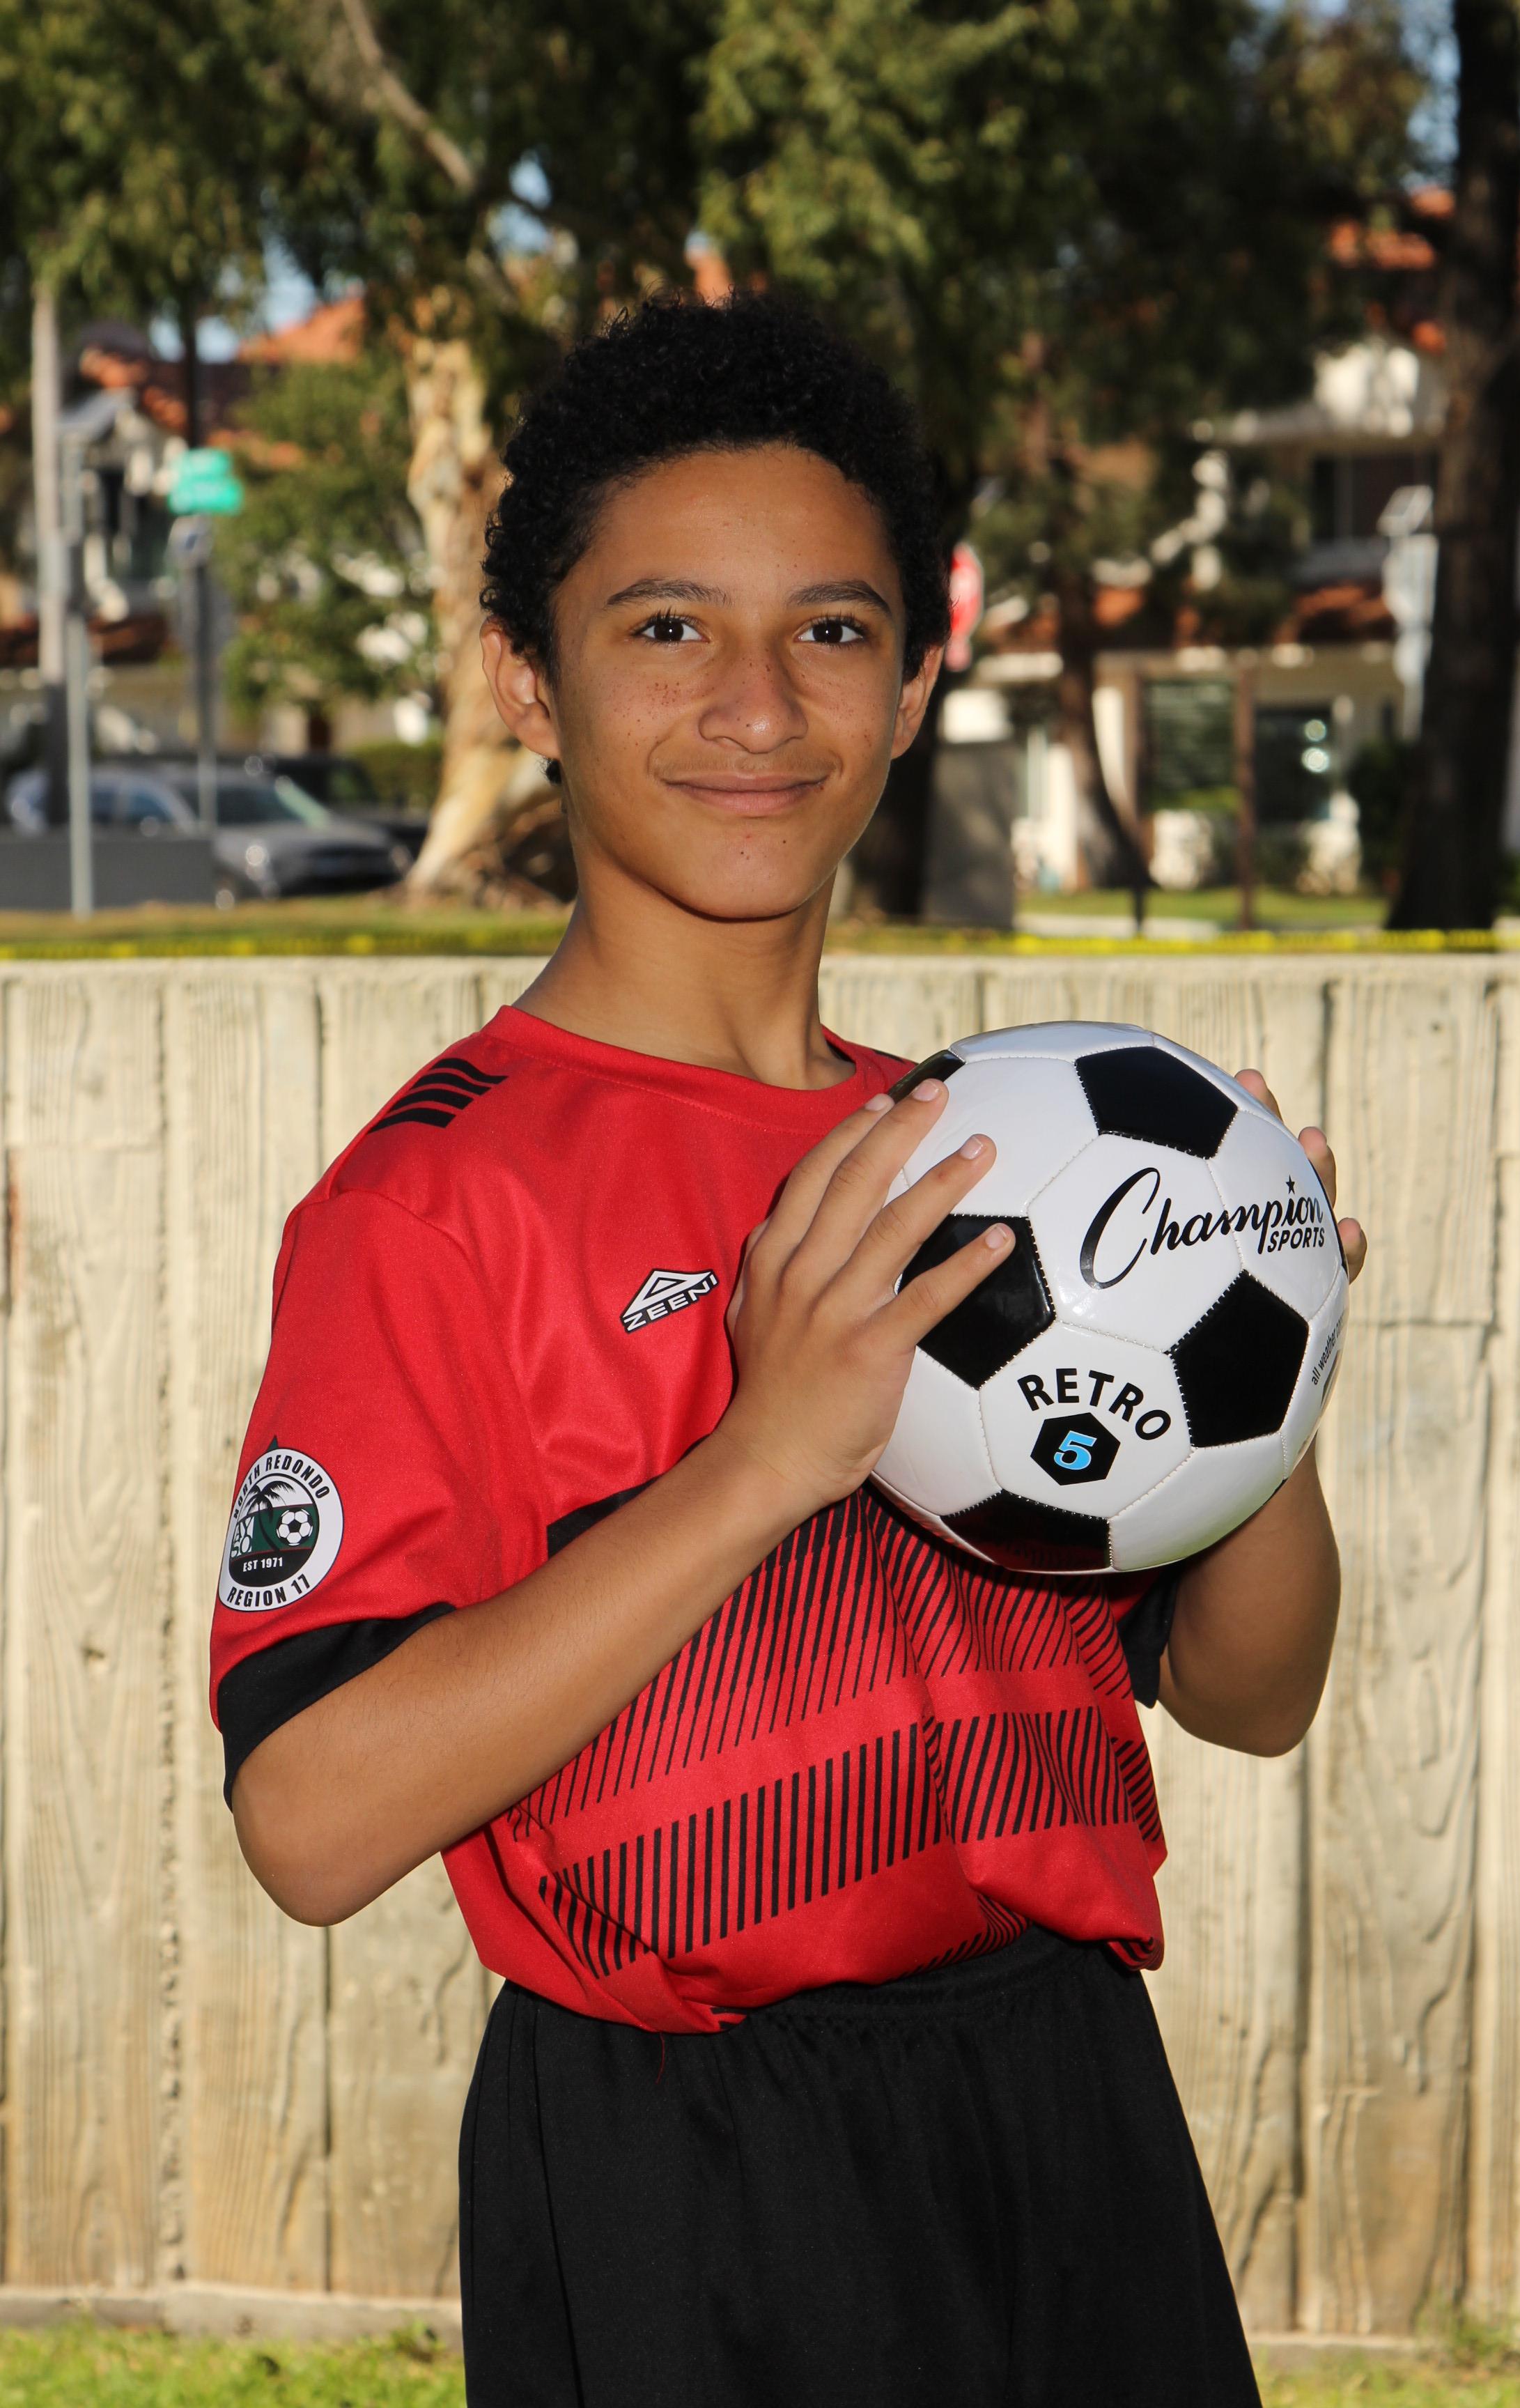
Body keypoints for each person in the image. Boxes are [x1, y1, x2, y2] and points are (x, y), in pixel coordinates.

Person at [212, 293, 1366, 2407]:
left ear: (915, 683)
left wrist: (1261, 1366)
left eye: (831, 631)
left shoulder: (997, 1145)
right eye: (666, 628)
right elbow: (309, 1819)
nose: (756, 703)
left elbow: (1250, 1697)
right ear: (525, 679)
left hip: (1069, 2107)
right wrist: (762, 1462)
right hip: (693, 2170)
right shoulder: (436, 1202)